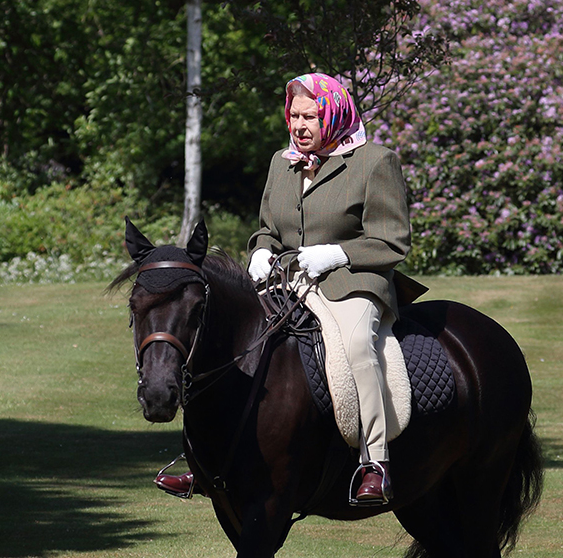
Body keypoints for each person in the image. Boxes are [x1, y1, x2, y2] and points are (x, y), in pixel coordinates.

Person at [157, 72, 412, 505]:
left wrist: (338, 254)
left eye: (310, 116)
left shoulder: (375, 162)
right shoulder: (283, 160)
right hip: (287, 282)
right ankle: (201, 462)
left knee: (354, 346)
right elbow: (267, 230)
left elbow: (392, 241)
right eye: (294, 116)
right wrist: (260, 250)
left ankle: (375, 462)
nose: (299, 125)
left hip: (352, 282)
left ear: (333, 112)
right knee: (222, 340)